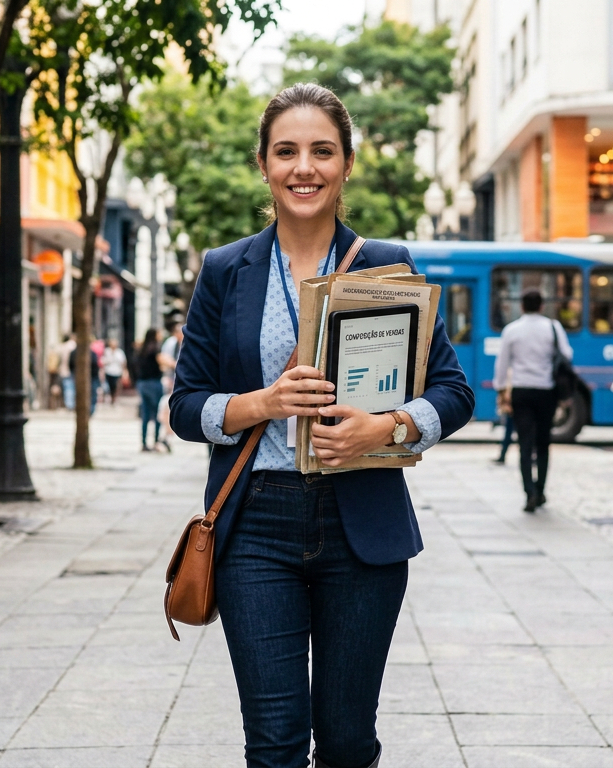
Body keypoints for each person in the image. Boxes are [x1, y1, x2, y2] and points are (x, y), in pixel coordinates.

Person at [170, 83, 474, 768]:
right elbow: (185, 406)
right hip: (255, 528)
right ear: (262, 164)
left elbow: (454, 392)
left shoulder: (385, 264)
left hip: (361, 524)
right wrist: (262, 403)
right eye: (286, 152)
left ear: (346, 163)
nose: (302, 167)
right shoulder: (226, 270)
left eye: (320, 151)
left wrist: (388, 428)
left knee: (345, 741)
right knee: (274, 744)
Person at [493, 289, 573, 512]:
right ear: (541, 306)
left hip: (521, 391)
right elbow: (567, 354)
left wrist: (501, 389)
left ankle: (529, 493)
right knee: (544, 442)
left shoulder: (512, 330)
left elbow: (502, 363)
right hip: (546, 390)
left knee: (525, 444)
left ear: (522, 306)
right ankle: (541, 490)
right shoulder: (553, 327)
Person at [156, 320, 184, 452]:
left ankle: (167, 437)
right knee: (166, 408)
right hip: (171, 381)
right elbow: (163, 359)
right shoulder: (171, 344)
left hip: (182, 382)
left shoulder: (188, 344)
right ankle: (166, 437)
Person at [134, 330, 164, 451]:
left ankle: (144, 443)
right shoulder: (155, 348)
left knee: (145, 414)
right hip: (154, 382)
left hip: (142, 383)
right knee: (157, 413)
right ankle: (156, 440)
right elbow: (162, 362)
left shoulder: (141, 349)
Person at [69, 342, 101, 416]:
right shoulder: (74, 353)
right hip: (80, 377)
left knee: (92, 394)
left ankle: (90, 410)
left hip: (92, 377)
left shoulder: (92, 354)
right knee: (80, 394)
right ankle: (83, 410)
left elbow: (96, 366)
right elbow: (71, 365)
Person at [101, 338, 127, 406]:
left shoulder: (120, 352)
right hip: (108, 371)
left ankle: (114, 398)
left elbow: (123, 362)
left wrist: (124, 371)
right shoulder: (107, 351)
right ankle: (109, 398)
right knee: (108, 386)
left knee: (116, 386)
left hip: (117, 372)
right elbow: (103, 361)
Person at [57, 334, 76, 409]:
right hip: (71, 369)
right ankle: (70, 404)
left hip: (65, 369)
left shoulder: (63, 346)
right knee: (70, 387)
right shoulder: (73, 345)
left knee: (67, 387)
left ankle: (69, 404)